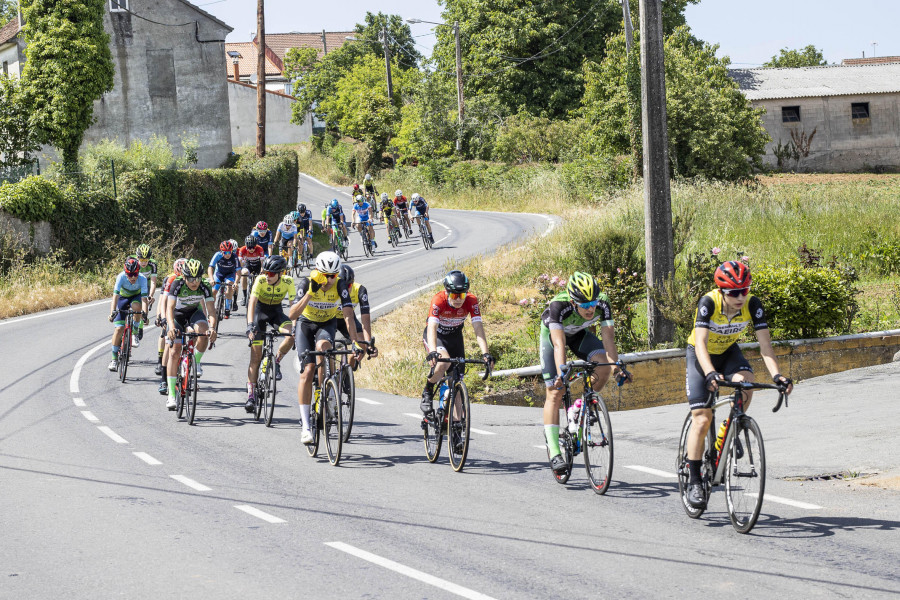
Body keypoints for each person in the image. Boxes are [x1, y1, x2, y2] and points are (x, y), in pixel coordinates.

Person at [683, 261, 793, 509]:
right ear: (722, 291)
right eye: (734, 292)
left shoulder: (752, 304)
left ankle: (729, 429)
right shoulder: (708, 302)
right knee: (701, 418)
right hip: (701, 355)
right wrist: (710, 373)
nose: (741, 296)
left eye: (744, 289)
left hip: (728, 351)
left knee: (746, 385)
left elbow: (765, 346)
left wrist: (777, 376)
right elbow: (700, 343)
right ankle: (695, 481)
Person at [540, 272, 631, 475]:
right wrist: (561, 372)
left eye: (593, 303)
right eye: (585, 304)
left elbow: (608, 339)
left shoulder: (603, 303)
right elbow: (558, 343)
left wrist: (616, 368)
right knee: (555, 391)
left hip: (579, 335)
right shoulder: (558, 306)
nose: (591, 309)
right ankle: (555, 452)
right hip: (553, 338)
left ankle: (579, 407)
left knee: (603, 366)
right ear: (573, 302)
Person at [288, 251, 362, 444]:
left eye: (333, 275)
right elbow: (292, 314)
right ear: (317, 272)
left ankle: (324, 392)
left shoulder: (339, 285)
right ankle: (305, 426)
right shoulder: (306, 283)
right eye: (326, 275)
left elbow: (348, 316)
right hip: (305, 325)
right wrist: (311, 294)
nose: (330, 280)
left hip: (325, 324)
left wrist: (354, 342)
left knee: (324, 346)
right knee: (308, 370)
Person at [421, 270, 494, 414]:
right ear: (447, 292)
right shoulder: (438, 300)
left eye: (462, 295)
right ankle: (428, 391)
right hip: (437, 336)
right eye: (455, 295)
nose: (459, 299)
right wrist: (433, 351)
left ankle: (455, 428)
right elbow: (432, 327)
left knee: (457, 384)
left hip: (455, 338)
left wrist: (486, 353)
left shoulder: (471, 301)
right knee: (443, 363)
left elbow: (478, 327)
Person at [244, 255, 296, 413]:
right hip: (259, 314)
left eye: (271, 274)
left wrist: (294, 326)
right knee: (255, 358)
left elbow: (294, 307)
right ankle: (251, 395)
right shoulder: (260, 280)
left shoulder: (288, 281)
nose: (267, 276)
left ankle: (277, 360)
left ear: (281, 273)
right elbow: (251, 303)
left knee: (292, 335)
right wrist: (250, 325)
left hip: (276, 313)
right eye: (265, 272)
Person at [164, 259, 216, 409]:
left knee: (204, 332)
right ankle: (171, 396)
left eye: (198, 278)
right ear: (185, 277)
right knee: (175, 351)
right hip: (177, 314)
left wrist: (212, 328)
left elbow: (211, 311)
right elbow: (169, 308)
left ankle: (196, 361)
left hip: (194, 312)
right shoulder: (177, 284)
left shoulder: (205, 285)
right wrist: (171, 327)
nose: (195, 282)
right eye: (191, 279)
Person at [107, 257, 148, 371]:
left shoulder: (143, 279)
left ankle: (134, 333)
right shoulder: (120, 277)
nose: (133, 277)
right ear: (126, 274)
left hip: (136, 297)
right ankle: (114, 359)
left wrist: (145, 314)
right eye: (130, 275)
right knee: (119, 329)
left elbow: (144, 299)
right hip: (123, 298)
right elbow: (115, 296)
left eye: (135, 274)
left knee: (137, 308)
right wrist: (112, 313)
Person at [336, 264, 379, 369]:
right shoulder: (331, 289)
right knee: (327, 349)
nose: (346, 290)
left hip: (348, 318)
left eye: (349, 286)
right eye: (343, 286)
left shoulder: (360, 290)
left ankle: (346, 374)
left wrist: (369, 344)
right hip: (330, 319)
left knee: (362, 346)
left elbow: (365, 319)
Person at [155, 257, 186, 394]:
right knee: (169, 343)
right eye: (179, 275)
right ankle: (163, 379)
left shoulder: (191, 280)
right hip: (170, 311)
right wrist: (162, 317)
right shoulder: (170, 279)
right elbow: (163, 301)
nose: (181, 278)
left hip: (184, 311)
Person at [129, 244, 158, 344]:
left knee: (144, 302)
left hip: (146, 284)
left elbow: (153, 282)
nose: (144, 262)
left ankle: (140, 325)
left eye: (146, 260)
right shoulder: (131, 261)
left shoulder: (153, 264)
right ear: (137, 258)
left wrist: (151, 295)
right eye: (141, 260)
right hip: (134, 284)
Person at [208, 240, 239, 318]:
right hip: (219, 274)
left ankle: (227, 308)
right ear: (221, 252)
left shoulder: (234, 257)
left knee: (229, 287)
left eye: (229, 252)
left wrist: (236, 282)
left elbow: (238, 271)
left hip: (230, 274)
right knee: (213, 291)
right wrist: (211, 279)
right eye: (225, 252)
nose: (227, 254)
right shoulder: (217, 255)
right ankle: (212, 310)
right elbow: (210, 267)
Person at [237, 235, 266, 307]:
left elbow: (262, 263)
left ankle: (261, 295)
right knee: (244, 273)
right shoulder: (242, 249)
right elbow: (240, 263)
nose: (251, 249)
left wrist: (262, 271)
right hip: (248, 264)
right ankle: (244, 296)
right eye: (249, 248)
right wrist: (240, 273)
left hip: (258, 265)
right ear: (246, 246)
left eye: (253, 247)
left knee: (260, 278)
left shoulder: (260, 249)